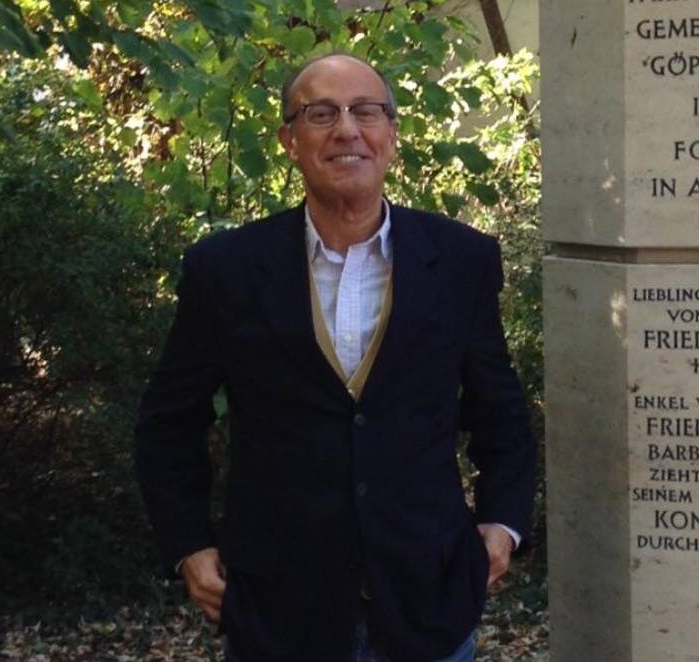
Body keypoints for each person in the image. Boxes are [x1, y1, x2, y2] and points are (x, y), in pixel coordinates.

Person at [135, 52, 536, 662]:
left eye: (365, 111)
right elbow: (168, 423)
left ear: (391, 135)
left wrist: (502, 523)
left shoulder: (460, 261)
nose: (346, 129)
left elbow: (500, 410)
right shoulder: (227, 270)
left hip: (429, 601)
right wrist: (188, 544)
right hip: (278, 608)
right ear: (289, 141)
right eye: (321, 113)